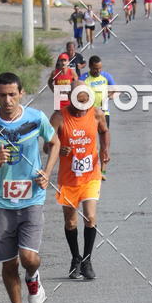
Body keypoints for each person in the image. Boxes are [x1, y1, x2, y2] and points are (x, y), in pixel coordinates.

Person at [0, 73, 60, 303]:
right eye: (2, 95)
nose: (8, 100)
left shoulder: (36, 118)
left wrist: (47, 172)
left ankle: (33, 277)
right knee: (9, 262)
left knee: (28, 257)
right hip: (1, 203)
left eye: (12, 94)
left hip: (32, 197)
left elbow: (54, 142)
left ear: (21, 93)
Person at [50, 84, 110, 280]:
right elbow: (47, 146)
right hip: (68, 178)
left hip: (91, 175)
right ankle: (75, 258)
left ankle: (87, 260)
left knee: (90, 217)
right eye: (80, 102)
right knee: (70, 222)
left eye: (86, 101)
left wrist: (105, 149)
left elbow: (104, 131)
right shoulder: (59, 117)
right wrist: (59, 149)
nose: (83, 106)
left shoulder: (97, 113)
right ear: (71, 98)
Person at [82, 56, 115, 181]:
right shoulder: (83, 78)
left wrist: (108, 96)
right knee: (89, 143)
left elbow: (114, 90)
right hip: (88, 114)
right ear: (90, 67)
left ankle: (102, 171)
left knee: (104, 143)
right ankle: (90, 170)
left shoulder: (106, 76)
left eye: (100, 68)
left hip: (104, 113)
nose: (98, 71)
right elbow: (76, 93)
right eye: (96, 69)